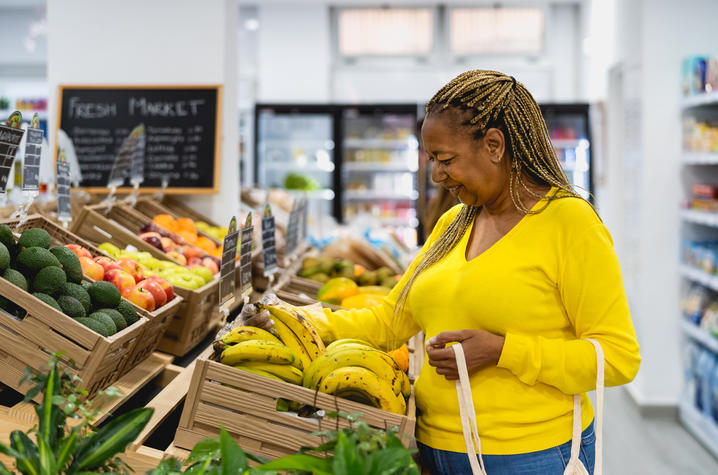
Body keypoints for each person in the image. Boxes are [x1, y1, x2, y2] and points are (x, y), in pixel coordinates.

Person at [244, 70, 641, 474]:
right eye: (431, 160)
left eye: (445, 160)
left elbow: (618, 357)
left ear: (493, 145)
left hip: (530, 456)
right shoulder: (455, 223)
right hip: (431, 447)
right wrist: (297, 319)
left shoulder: (570, 223)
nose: (436, 175)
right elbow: (389, 319)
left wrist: (503, 351)